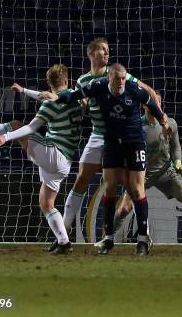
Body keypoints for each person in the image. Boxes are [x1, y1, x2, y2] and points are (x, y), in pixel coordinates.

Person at [16, 37, 157, 251]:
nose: (107, 53)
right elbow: (75, 100)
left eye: (108, 50)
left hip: (120, 137)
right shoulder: (83, 81)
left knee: (131, 186)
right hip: (98, 134)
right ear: (91, 53)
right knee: (81, 179)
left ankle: (144, 235)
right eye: (102, 50)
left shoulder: (118, 74)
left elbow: (145, 91)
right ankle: (62, 233)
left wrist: (154, 111)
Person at [0, 64, 83, 254]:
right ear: (66, 81)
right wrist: (24, 91)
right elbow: (44, 95)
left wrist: (4, 138)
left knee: (15, 125)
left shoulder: (50, 104)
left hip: (54, 152)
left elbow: (30, 128)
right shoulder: (74, 96)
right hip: (66, 161)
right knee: (46, 203)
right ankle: (64, 242)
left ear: (50, 83)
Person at [44, 63, 169, 256]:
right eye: (117, 79)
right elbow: (74, 95)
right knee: (110, 187)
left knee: (136, 189)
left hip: (134, 142)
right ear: (109, 78)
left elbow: (151, 101)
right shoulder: (97, 86)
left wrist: (163, 120)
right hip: (112, 142)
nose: (121, 83)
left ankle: (143, 239)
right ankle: (108, 238)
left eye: (123, 78)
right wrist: (57, 96)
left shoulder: (133, 89)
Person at [99, 91, 182, 248]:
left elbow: (176, 147)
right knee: (124, 209)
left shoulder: (170, 123)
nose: (155, 105)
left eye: (158, 102)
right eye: (152, 102)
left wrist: (178, 163)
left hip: (166, 171)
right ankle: (106, 239)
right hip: (141, 173)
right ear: (145, 104)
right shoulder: (136, 124)